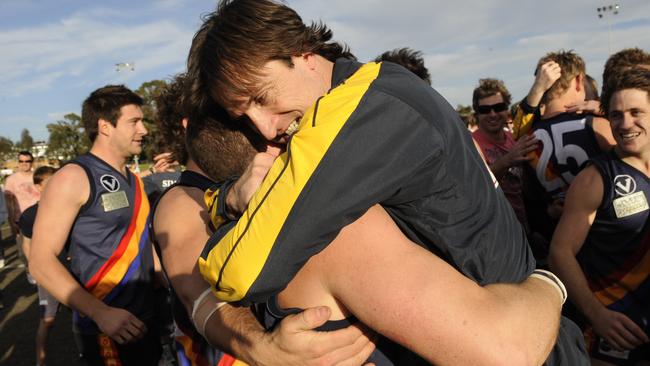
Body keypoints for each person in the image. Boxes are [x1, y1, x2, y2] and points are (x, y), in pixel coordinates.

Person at [188, 1, 588, 364]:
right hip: (506, 324)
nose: (264, 126)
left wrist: (548, 284)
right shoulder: (379, 89)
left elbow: (236, 273)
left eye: (261, 96)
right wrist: (227, 199)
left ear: (302, 53)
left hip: (529, 336)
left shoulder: (357, 112)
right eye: (244, 116)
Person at [152, 74, 376, 366]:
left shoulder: (254, 181)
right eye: (236, 116)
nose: (259, 125)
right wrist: (265, 349)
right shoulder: (183, 200)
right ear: (192, 126)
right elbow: (199, 295)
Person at [29, 85, 161, 365]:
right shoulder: (74, 176)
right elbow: (40, 261)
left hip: (146, 320)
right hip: (105, 327)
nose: (144, 130)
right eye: (134, 121)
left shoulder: (135, 180)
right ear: (105, 126)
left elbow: (143, 244)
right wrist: (100, 313)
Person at [549, 68, 650, 365]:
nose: (625, 123)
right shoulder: (595, 177)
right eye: (616, 115)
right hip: (619, 329)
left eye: (636, 112)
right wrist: (597, 315)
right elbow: (560, 253)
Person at [471, 78, 538, 230]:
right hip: (496, 229)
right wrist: (508, 160)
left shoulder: (513, 138)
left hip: (523, 225)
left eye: (498, 107)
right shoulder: (471, 144)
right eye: (485, 110)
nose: (492, 114)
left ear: (506, 109)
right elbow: (477, 186)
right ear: (477, 114)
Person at [18, 166, 59, 366]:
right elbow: (27, 245)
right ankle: (40, 361)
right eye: (50, 182)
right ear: (38, 186)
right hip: (48, 276)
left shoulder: (69, 208)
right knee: (48, 320)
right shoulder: (30, 215)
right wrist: (36, 268)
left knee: (87, 317)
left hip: (75, 272)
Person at [4, 151, 40, 271]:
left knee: (42, 248)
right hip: (21, 220)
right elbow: (9, 203)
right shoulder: (11, 180)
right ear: (18, 162)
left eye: (27, 161)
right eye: (21, 161)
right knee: (24, 251)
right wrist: (11, 221)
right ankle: (30, 270)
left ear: (32, 162)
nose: (24, 163)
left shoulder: (38, 176)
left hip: (41, 218)